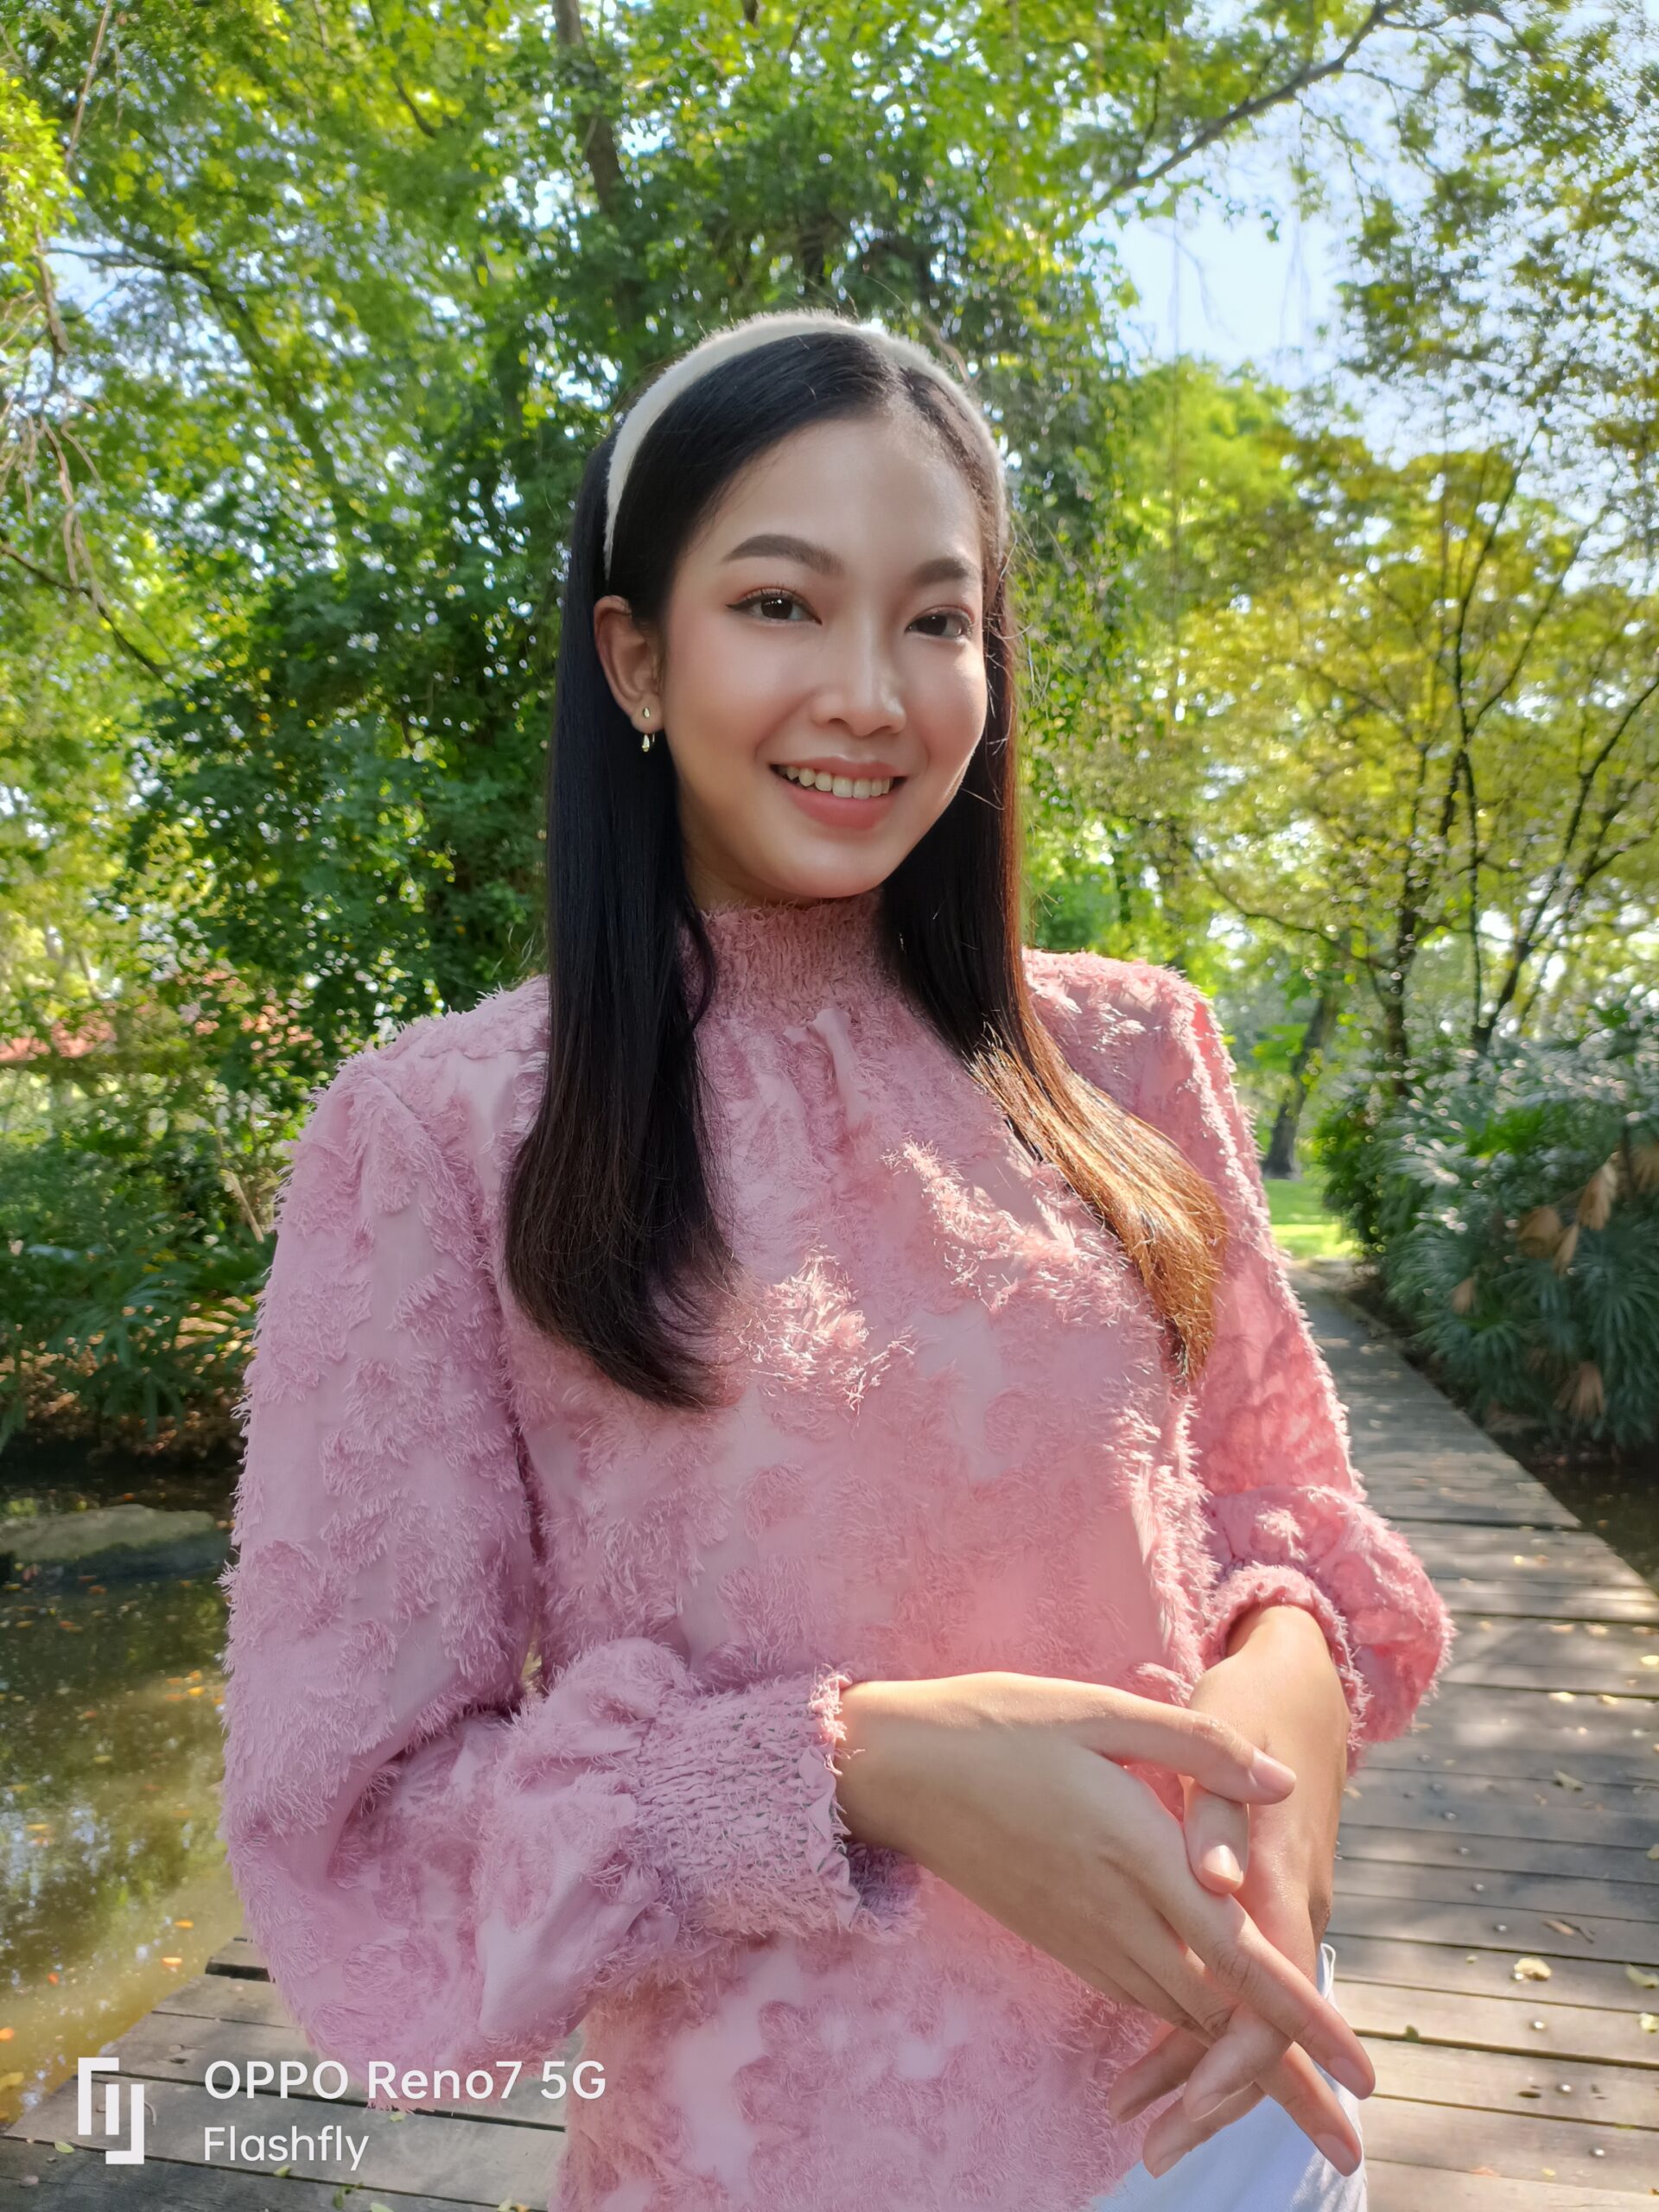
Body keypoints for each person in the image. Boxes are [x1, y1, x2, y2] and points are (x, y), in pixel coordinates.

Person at [216, 308, 1454, 2212]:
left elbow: (1271, 1507)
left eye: (937, 620)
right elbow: (360, 1828)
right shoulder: (444, 1138)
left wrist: (1288, 1711)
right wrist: (858, 1767)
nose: (872, 694)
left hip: (1232, 2132)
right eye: (781, 604)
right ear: (635, 655)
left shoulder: (1129, 1052)